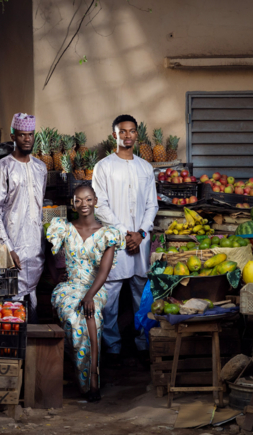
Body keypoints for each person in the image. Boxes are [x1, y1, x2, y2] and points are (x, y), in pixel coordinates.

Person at [47, 184, 125, 401]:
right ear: (73, 203)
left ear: (95, 201)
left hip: (95, 287)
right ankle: (82, 373)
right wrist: (55, 278)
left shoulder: (108, 234)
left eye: (89, 199)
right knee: (74, 317)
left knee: (92, 316)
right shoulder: (63, 228)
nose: (84, 204)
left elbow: (105, 270)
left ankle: (92, 377)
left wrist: (90, 295)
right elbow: (47, 253)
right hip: (69, 287)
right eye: (79, 200)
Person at [92, 114, 159, 365]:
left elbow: (152, 205)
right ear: (115, 135)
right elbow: (100, 206)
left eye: (131, 131)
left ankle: (143, 345)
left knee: (141, 296)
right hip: (115, 241)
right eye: (123, 131)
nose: (127, 135)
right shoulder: (104, 167)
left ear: (136, 135)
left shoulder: (145, 167)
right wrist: (124, 233)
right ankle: (112, 348)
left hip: (140, 241)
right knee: (110, 298)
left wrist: (140, 233)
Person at [0, 113, 47, 322]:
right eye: (22, 135)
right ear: (13, 136)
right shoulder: (2, 168)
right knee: (12, 301)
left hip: (35, 245)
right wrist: (7, 248)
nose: (27, 139)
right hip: (13, 244)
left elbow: (38, 206)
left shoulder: (41, 168)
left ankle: (31, 345)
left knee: (32, 295)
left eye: (30, 134)